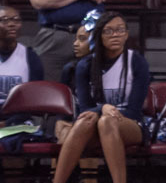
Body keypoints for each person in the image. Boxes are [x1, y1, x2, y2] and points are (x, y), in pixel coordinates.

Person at [53, 11, 149, 183]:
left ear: (127, 34)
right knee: (84, 122)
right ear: (99, 36)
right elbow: (85, 109)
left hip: (131, 125)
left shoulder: (137, 61)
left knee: (107, 121)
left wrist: (103, 112)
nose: (115, 35)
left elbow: (134, 111)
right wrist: (102, 108)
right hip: (95, 124)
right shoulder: (85, 65)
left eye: (120, 30)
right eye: (109, 31)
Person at [0, 5, 44, 119]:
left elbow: (35, 99)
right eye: (5, 20)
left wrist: (9, 122)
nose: (12, 24)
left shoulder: (31, 57)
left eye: (16, 20)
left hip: (19, 119)